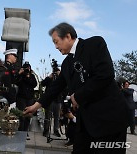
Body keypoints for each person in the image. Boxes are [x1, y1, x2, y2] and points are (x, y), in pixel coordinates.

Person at [24, 22, 129, 154]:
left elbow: (105, 75)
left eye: (56, 42)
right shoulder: (67, 63)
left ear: (68, 36)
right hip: (85, 123)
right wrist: (36, 106)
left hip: (109, 120)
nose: (56, 47)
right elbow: (55, 87)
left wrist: (77, 96)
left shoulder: (94, 44)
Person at [16, 61, 37, 140]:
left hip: (30, 98)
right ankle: (20, 131)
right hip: (21, 98)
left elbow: (34, 84)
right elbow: (16, 82)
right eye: (26, 68)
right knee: (21, 115)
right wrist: (19, 73)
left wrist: (29, 76)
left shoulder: (31, 76)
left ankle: (25, 132)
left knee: (28, 115)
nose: (27, 70)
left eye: (28, 68)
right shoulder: (21, 75)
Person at [41, 68, 61, 137]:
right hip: (49, 100)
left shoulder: (60, 79)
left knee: (57, 117)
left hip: (58, 100)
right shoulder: (49, 79)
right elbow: (42, 83)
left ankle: (56, 130)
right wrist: (49, 77)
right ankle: (46, 130)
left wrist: (60, 75)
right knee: (48, 116)